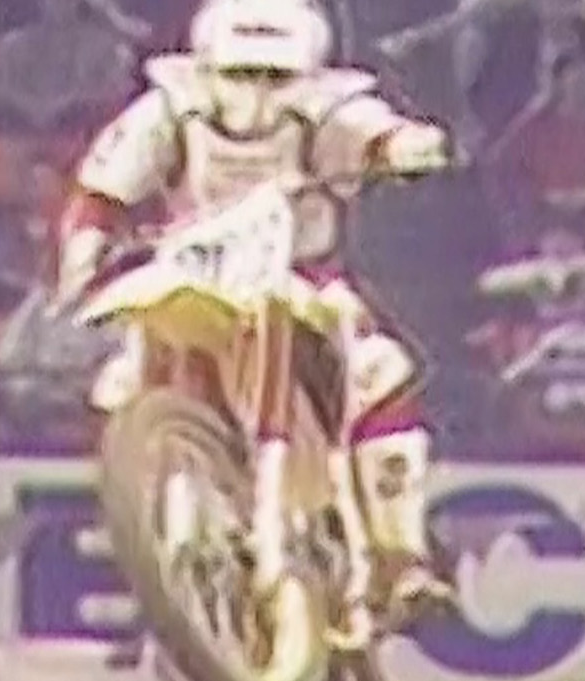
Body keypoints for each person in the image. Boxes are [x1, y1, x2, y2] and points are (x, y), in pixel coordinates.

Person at [53, 0, 455, 635]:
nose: (257, 94)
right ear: (209, 66)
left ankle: (400, 555)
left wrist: (404, 145)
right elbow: (102, 189)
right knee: (119, 382)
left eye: (275, 77)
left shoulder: (325, 109)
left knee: (379, 369)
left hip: (300, 280)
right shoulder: (169, 110)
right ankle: (137, 520)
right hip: (192, 275)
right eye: (242, 74)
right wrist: (84, 255)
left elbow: (371, 131)